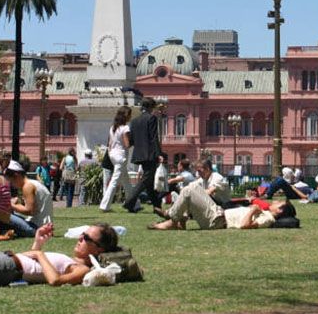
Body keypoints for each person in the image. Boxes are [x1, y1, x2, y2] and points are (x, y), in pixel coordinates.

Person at [148, 179, 295, 230]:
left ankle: (171, 216)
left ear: (280, 210)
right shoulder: (267, 214)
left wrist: (252, 211)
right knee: (194, 187)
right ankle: (177, 220)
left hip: (217, 220)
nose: (275, 201)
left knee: (188, 190)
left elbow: (244, 226)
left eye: (278, 202)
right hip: (218, 213)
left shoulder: (268, 219)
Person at [124, 97, 163, 213]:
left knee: (149, 182)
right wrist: (159, 153)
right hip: (150, 154)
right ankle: (129, 201)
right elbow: (153, 137)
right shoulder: (152, 118)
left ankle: (157, 207)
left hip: (139, 153)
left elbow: (131, 140)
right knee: (146, 180)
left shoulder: (134, 121)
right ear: (151, 107)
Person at [5, 160, 53, 237]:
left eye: (12, 182)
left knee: (4, 215)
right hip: (44, 226)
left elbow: (29, 211)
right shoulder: (33, 183)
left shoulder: (27, 187)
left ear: (16, 176)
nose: (12, 185)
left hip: (37, 228)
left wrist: (10, 205)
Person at [100, 107, 133, 211]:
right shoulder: (125, 128)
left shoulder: (113, 128)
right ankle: (104, 206)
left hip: (113, 155)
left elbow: (109, 144)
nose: (130, 117)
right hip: (121, 156)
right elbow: (127, 144)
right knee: (114, 181)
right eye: (129, 115)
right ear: (126, 116)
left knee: (126, 182)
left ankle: (134, 204)